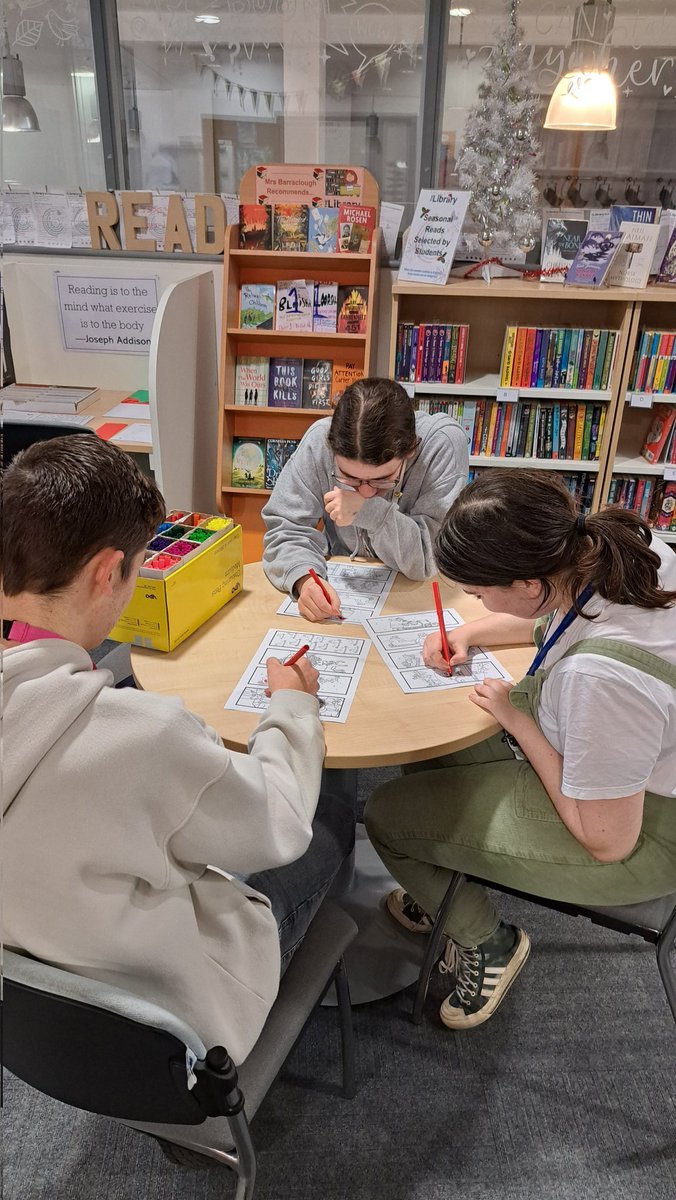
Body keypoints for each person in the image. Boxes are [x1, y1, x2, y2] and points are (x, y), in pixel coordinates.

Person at [1, 435, 353, 1065]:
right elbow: (278, 826)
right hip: (166, 1015)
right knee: (326, 819)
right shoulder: (143, 736)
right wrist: (293, 706)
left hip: (34, 1000)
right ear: (109, 572)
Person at [365, 470, 676, 1031]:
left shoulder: (602, 679)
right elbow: (562, 621)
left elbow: (608, 840)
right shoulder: (618, 548)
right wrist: (471, 634)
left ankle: (488, 944)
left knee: (387, 817)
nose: (475, 603)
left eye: (481, 594)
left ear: (529, 584)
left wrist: (516, 719)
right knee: (431, 743)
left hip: (637, 832)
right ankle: (441, 882)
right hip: (617, 768)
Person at [262, 377, 469, 621]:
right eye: (349, 477)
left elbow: (429, 559)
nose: (366, 492)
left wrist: (369, 512)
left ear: (411, 449)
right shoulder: (319, 440)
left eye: (383, 479)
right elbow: (285, 529)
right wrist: (305, 581)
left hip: (420, 599)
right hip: (345, 593)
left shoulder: (442, 443)